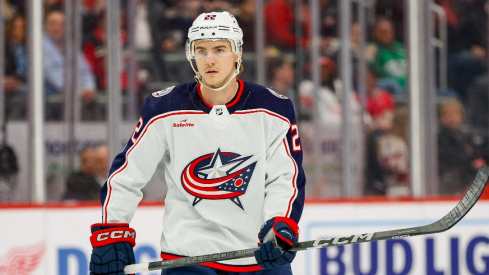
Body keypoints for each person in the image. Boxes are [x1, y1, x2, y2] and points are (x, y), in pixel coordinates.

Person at [89, 11, 306, 275]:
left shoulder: (273, 108)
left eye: (219, 49)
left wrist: (279, 225)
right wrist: (112, 231)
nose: (210, 59)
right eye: (200, 50)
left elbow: (285, 177)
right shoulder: (165, 107)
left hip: (260, 257)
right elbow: (127, 175)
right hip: (189, 257)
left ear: (237, 53)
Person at [42, 8, 96, 120]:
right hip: (49, 104)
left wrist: (88, 88)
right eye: (53, 23)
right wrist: (78, 91)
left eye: (61, 24)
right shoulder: (41, 45)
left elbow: (85, 70)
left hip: (74, 100)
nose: (57, 27)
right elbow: (52, 75)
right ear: (45, 26)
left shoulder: (70, 46)